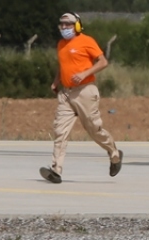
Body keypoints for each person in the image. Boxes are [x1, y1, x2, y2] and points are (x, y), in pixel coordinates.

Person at [39, 12, 122, 184]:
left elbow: (103, 62)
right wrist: (56, 81)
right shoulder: (61, 44)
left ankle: (114, 153)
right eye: (62, 24)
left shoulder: (86, 41)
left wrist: (84, 73)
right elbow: (62, 65)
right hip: (66, 93)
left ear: (77, 26)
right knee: (60, 131)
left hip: (85, 91)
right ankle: (56, 170)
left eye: (68, 24)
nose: (64, 27)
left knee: (94, 129)